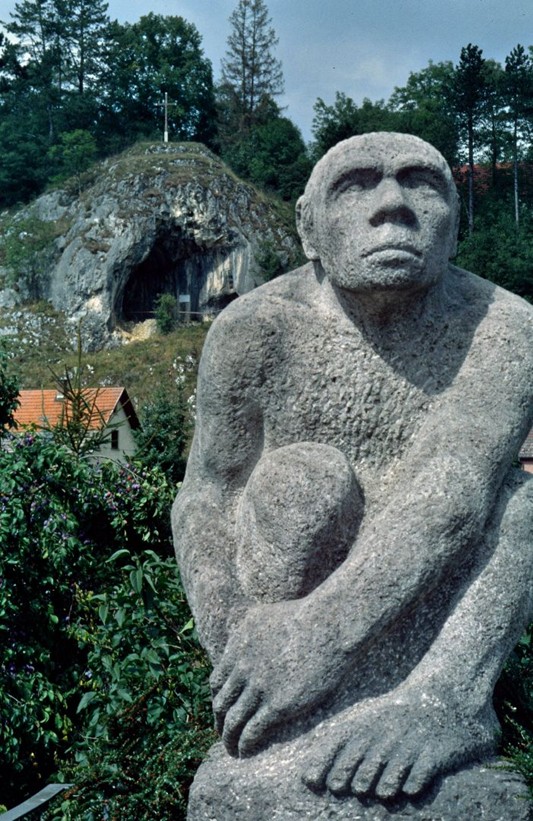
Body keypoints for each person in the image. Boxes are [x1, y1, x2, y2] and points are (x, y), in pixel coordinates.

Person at [172, 133, 533, 801]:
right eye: (357, 184)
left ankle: (444, 704)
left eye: (420, 183)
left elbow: (451, 493)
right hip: (284, 604)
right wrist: (237, 647)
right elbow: (207, 497)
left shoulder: (503, 327)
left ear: (455, 227)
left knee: (522, 501)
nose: (392, 205)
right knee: (297, 479)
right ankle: (288, 718)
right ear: (309, 228)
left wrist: (319, 635)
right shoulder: (256, 328)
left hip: (419, 629)